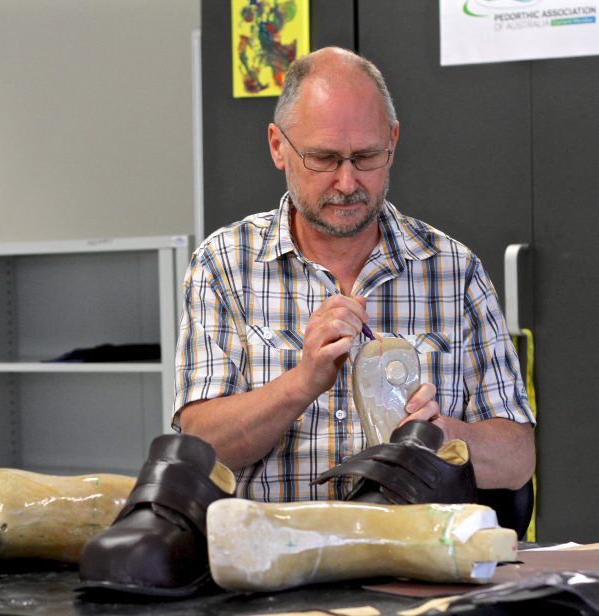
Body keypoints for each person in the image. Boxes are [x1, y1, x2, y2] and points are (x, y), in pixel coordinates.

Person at [173, 46, 536, 502]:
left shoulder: (453, 270)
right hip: (278, 561)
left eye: (366, 157)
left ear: (393, 142)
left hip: (413, 561)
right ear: (278, 146)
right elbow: (201, 446)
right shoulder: (224, 265)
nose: (347, 183)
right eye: (323, 159)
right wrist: (302, 382)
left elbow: (518, 456)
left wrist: (438, 436)